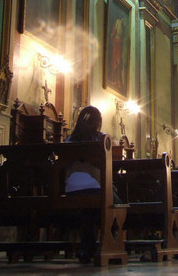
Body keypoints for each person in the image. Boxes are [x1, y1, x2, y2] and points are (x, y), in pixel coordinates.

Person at [64, 106, 121, 263]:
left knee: (89, 212)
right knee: (117, 204)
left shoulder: (69, 140)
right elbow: (108, 169)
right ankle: (111, 244)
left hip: (71, 191)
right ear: (98, 122)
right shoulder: (101, 139)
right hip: (95, 189)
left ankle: (87, 249)